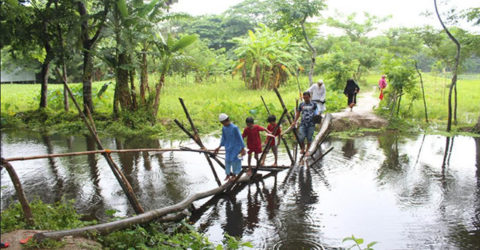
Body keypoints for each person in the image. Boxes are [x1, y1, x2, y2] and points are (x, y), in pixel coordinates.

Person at [214, 113, 246, 182]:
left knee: (236, 161)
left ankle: (234, 175)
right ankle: (228, 174)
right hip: (228, 147)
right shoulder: (224, 128)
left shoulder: (235, 128)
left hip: (236, 147)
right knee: (227, 160)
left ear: (226, 121)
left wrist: (243, 149)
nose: (223, 124)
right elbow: (223, 138)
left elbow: (240, 138)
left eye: (223, 123)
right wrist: (219, 147)